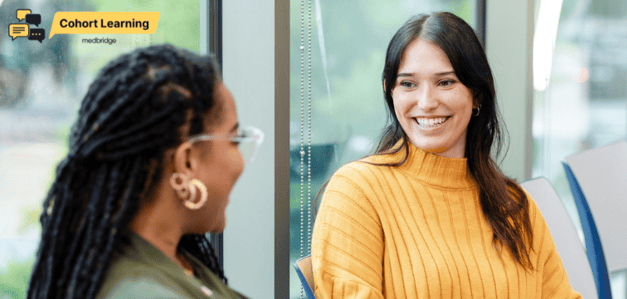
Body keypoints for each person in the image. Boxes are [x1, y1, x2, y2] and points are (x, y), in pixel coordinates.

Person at [311, 12, 582, 298]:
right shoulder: (356, 192)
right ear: (391, 93)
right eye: (408, 84)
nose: (426, 102)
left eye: (445, 82)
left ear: (476, 94)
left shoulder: (513, 205)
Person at [26, 44, 261, 299]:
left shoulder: (171, 261)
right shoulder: (146, 291)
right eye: (234, 140)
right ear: (187, 163)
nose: (241, 161)